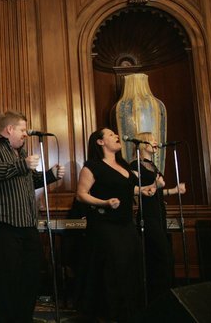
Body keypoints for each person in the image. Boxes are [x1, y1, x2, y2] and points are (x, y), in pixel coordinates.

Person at [0, 110, 65, 323]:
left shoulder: (20, 153)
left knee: (31, 278)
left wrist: (50, 175)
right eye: (23, 129)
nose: (26, 134)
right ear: (9, 129)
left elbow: (28, 180)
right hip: (1, 225)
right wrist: (22, 165)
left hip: (26, 224)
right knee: (5, 282)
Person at [75, 128, 157, 322]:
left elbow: (127, 188)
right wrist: (104, 202)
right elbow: (81, 194)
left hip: (125, 223)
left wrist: (142, 190)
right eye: (111, 135)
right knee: (114, 267)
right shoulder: (92, 166)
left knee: (131, 263)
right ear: (100, 142)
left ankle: (130, 311)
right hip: (105, 224)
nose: (117, 136)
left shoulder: (122, 165)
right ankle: (110, 313)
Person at [130, 132, 186, 302]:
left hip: (159, 212)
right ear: (143, 143)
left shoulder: (152, 165)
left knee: (165, 255)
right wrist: (155, 184)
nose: (156, 142)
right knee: (161, 255)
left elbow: (157, 193)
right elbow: (134, 190)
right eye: (153, 140)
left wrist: (174, 190)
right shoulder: (134, 165)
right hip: (148, 214)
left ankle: (166, 295)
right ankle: (157, 297)